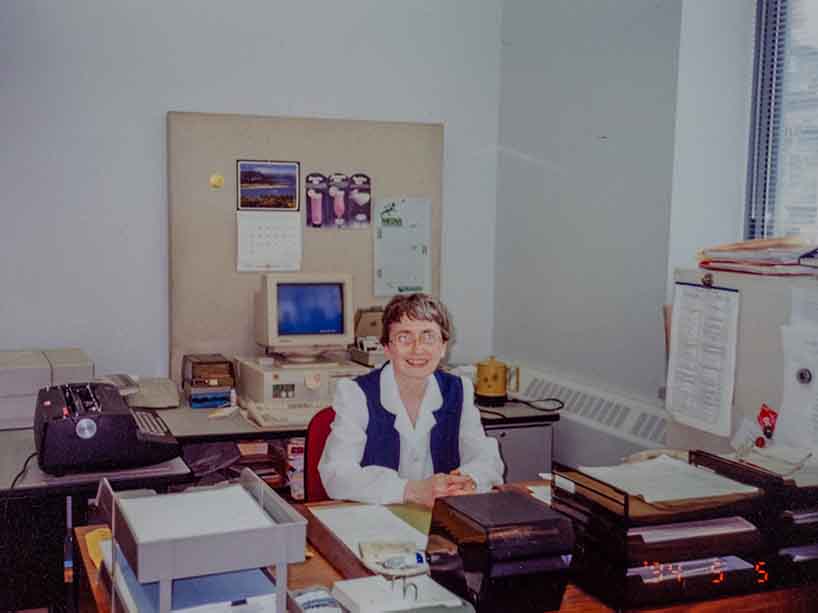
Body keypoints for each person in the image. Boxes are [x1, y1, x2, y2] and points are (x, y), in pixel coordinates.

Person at [319, 293, 504, 507]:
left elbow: (486, 458)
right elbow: (336, 473)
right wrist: (411, 490)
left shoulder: (459, 390)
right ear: (387, 348)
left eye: (428, 336)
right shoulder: (356, 393)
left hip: (441, 517)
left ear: (443, 346)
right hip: (376, 517)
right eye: (404, 337)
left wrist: (469, 480)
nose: (417, 349)